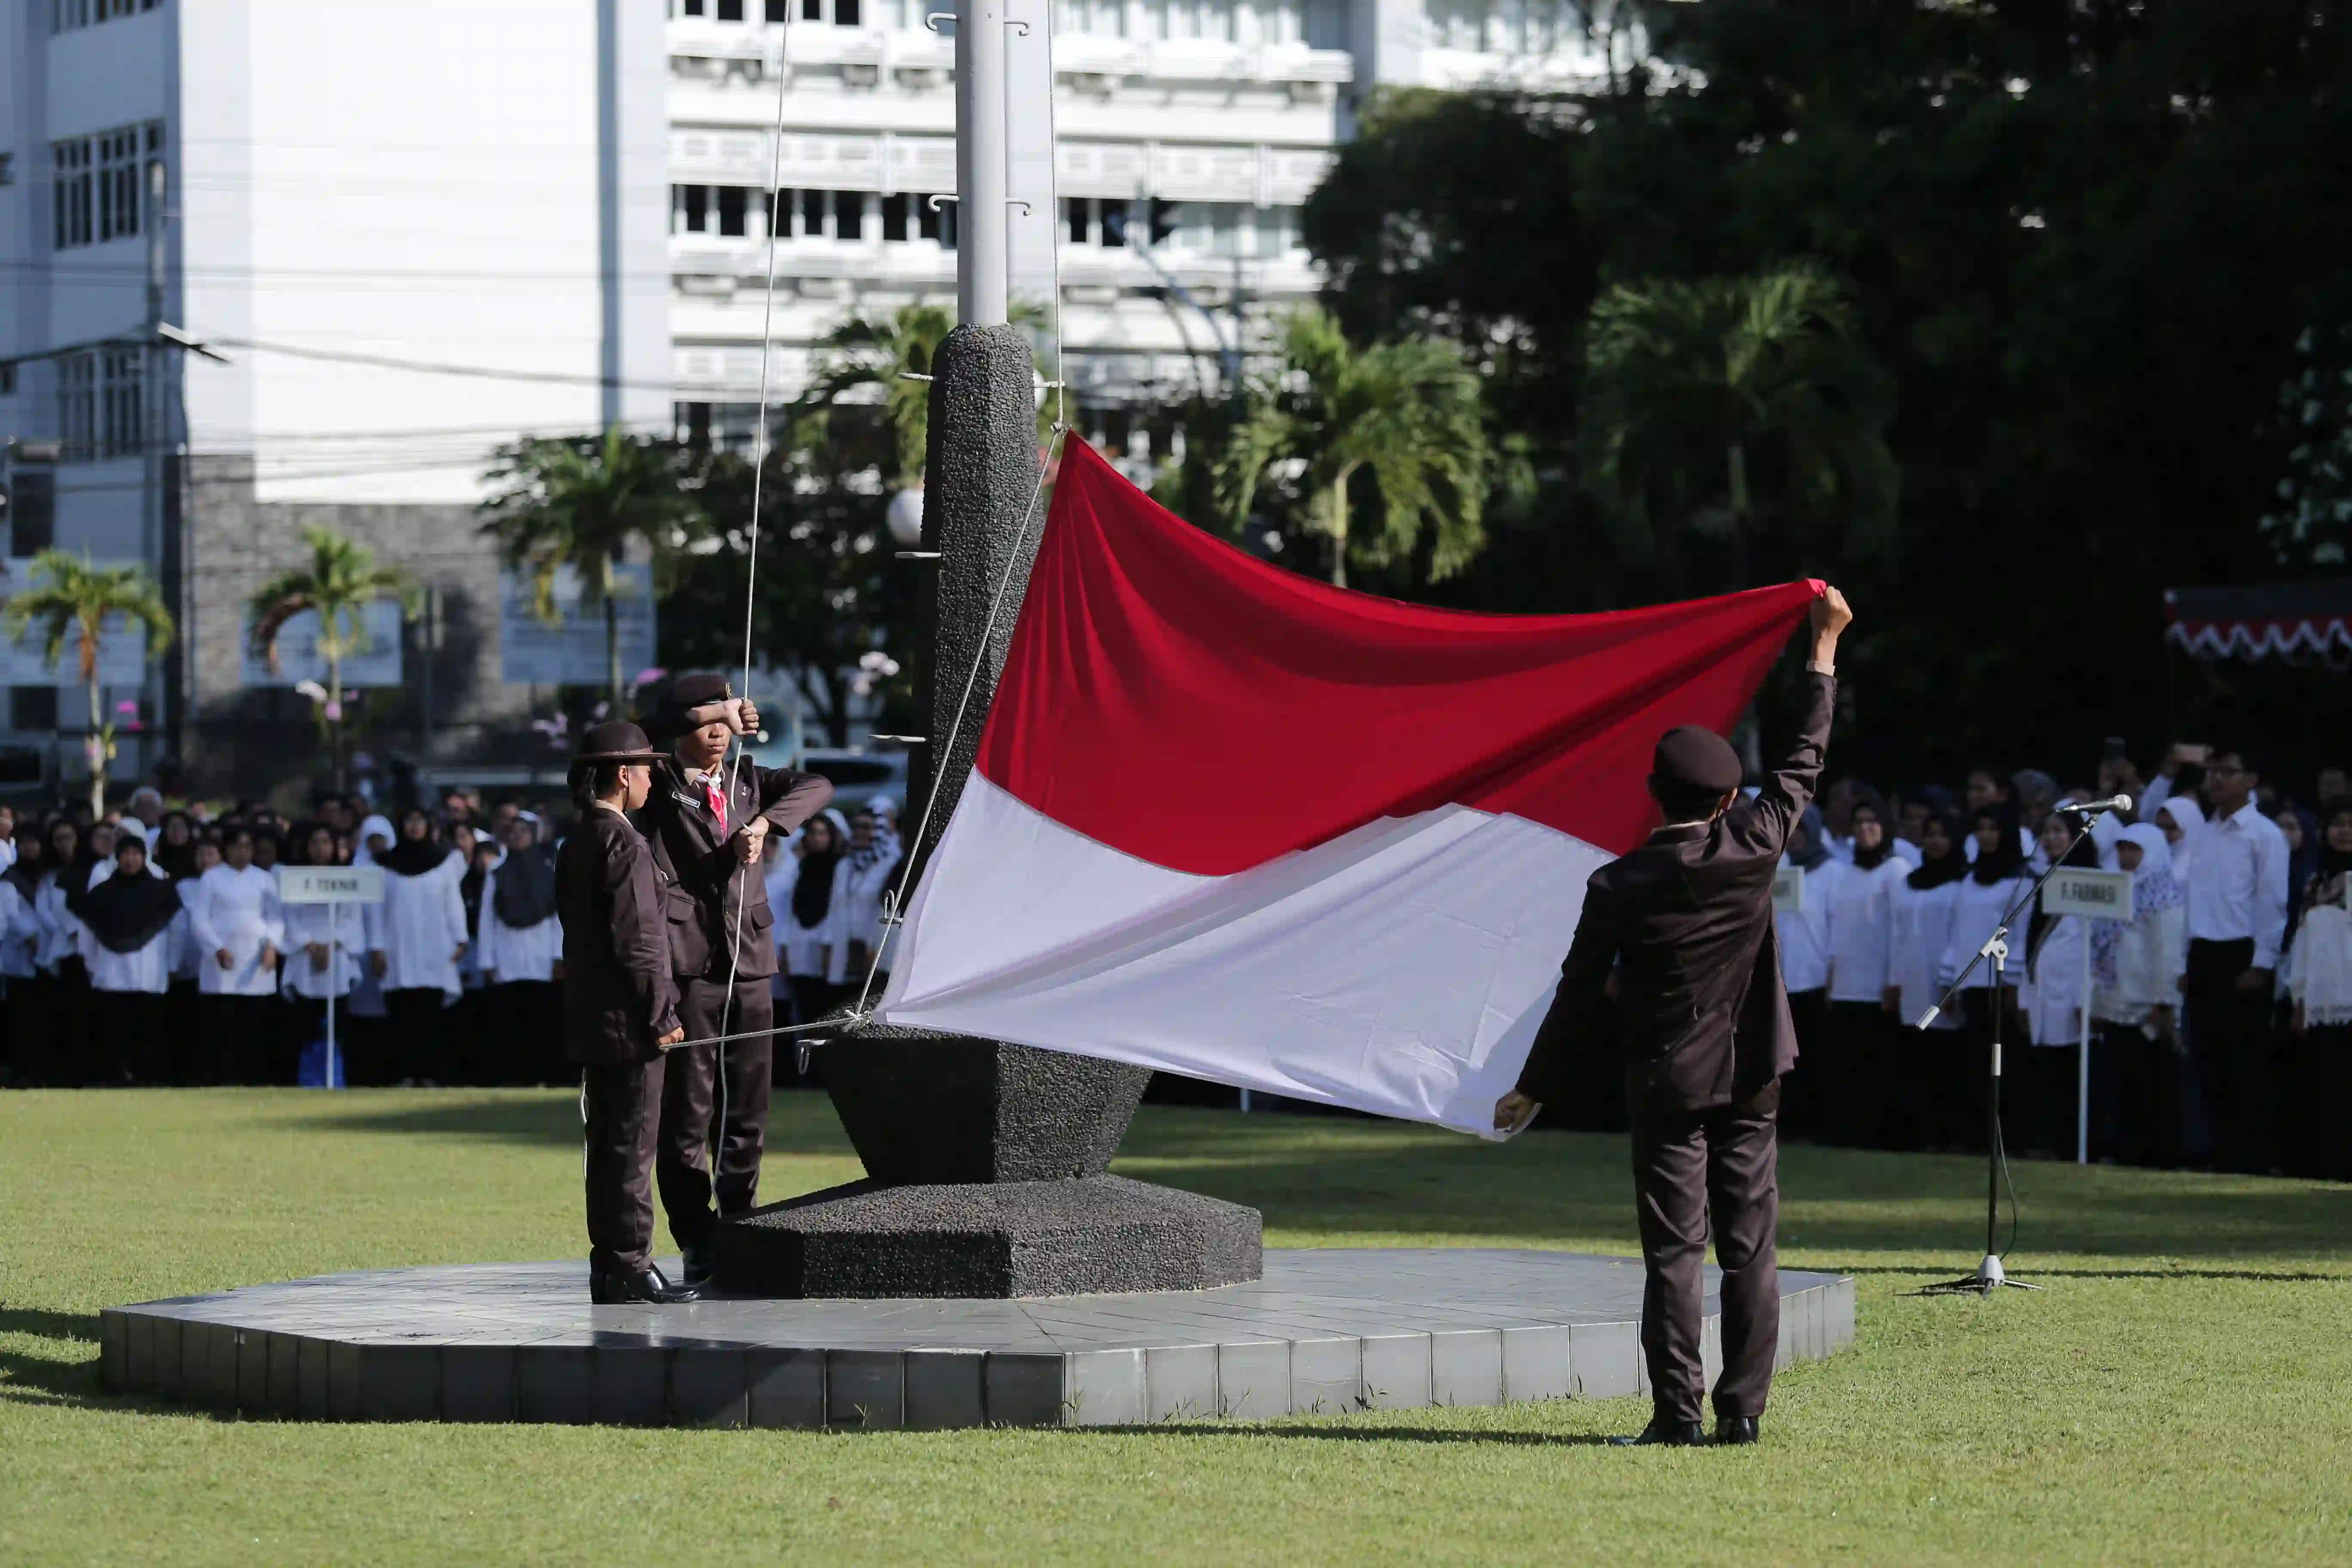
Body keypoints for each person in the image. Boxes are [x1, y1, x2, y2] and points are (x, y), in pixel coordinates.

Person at [1497, 585, 1850, 1449]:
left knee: (1674, 1255)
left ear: (1654, 795)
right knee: (1750, 1249)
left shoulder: (1617, 885)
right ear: (1729, 802)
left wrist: (1533, 1087)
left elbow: (1578, 991)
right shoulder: (1756, 846)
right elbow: (1805, 759)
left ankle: (1677, 1417)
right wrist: (1824, 651)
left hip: (1666, 1079)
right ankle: (1745, 1414)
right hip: (1755, 1071)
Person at [637, 674, 834, 1289]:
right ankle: (697, 1240)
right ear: (678, 732)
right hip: (689, 969)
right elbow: (638, 735)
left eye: (726, 723)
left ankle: (743, 1225)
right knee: (688, 1116)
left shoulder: (749, 780)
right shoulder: (657, 785)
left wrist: (766, 827)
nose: (719, 735)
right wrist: (727, 705)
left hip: (750, 963)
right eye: (705, 724)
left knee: (749, 1108)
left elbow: (819, 785)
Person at [555, 720, 696, 1305]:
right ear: (622, 775)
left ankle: (609, 1263)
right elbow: (640, 941)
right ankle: (633, 1263)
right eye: (645, 770)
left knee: (607, 1147)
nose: (649, 780)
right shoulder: (624, 842)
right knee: (635, 1145)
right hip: (631, 1023)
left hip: (592, 1018)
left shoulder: (578, 839)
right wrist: (662, 1015)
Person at [2177, 748, 2289, 1173]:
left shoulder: (2263, 834)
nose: (2217, 781)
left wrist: (2262, 962)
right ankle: (2219, 1151)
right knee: (2207, 1057)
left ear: (2251, 780)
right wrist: (2187, 959)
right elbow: (2195, 899)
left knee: (2244, 1059)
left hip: (2242, 953)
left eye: (2227, 773)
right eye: (2212, 773)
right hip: (2204, 952)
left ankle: (2253, 1155)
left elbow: (2271, 902)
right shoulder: (2205, 834)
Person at [1937, 801, 2033, 1152]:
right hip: (1972, 984)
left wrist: (2011, 984)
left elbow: (2018, 934)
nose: (1987, 836)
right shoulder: (1969, 879)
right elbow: (1958, 932)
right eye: (1982, 829)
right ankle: (1975, 1137)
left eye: (1994, 829)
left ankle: (2009, 1140)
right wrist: (1950, 980)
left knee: (2006, 1067)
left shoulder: (2021, 880)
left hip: (2001, 984)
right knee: (1973, 1065)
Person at [2090, 823, 2187, 1167]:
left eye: (2135, 850)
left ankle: (2158, 1156)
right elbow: (2100, 952)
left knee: (2153, 1085)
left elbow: (2168, 954)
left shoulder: (2164, 895)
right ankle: (2126, 1150)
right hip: (2116, 1002)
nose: (2127, 856)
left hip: (2148, 1007)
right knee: (2123, 1084)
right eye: (2123, 849)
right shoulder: (2114, 891)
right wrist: (2097, 1002)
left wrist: (2164, 1005)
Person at [1821, 795, 1907, 1148]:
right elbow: (1837, 929)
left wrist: (1895, 981)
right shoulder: (1846, 873)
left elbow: (1902, 932)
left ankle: (1879, 1138)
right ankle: (1848, 1135)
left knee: (1878, 1068)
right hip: (1845, 985)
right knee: (1847, 1068)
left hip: (1878, 987)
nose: (1866, 829)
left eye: (1873, 822)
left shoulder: (1897, 870)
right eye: (1859, 823)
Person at [73, 826, 185, 1084]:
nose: (130, 859)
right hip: (111, 973)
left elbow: (178, 930)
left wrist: (173, 965)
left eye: (136, 853)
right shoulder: (101, 893)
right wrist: (92, 965)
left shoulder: (162, 891)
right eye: (126, 853)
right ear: (117, 856)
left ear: (145, 857)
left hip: (151, 973)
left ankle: (149, 1079)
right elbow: (88, 932)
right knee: (114, 1033)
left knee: (150, 1034)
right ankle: (117, 1079)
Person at [364, 807, 469, 1086]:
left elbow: (453, 902)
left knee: (430, 1016)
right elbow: (376, 909)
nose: (414, 826)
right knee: (402, 1015)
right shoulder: (385, 865)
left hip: (436, 947)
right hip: (397, 948)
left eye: (419, 821)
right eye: (408, 820)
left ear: (428, 825)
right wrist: (376, 948)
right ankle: (405, 1075)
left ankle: (430, 1074)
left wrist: (461, 938)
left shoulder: (444, 862)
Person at [2017, 816, 2098, 1157]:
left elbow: (2096, 946)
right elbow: (2028, 942)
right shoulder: (2041, 880)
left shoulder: (2092, 881)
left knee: (2073, 1077)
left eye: (2059, 832)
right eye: (2046, 831)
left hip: (2074, 994)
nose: (2051, 838)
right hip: (2042, 992)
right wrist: (2023, 996)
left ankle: (2075, 1148)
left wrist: (2089, 998)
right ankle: (2049, 1144)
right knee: (2045, 1072)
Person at [2281, 804, 2352, 1180]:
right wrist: (2300, 999)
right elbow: (2304, 943)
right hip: (2321, 1000)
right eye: (2339, 824)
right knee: (2325, 1089)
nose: (2345, 831)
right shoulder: (2316, 881)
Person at [186, 825, 288, 1084]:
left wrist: (272, 946)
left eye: (248, 847)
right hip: (223, 962)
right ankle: (223, 1079)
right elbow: (199, 919)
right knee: (224, 1027)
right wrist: (217, 948)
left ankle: (254, 1078)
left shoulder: (264, 879)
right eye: (237, 847)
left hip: (257, 961)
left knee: (254, 1026)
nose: (243, 852)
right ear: (226, 850)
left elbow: (275, 917)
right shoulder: (212, 878)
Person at [480, 813, 564, 1086]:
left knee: (541, 1024)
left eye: (523, 832)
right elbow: (487, 920)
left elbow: (557, 920)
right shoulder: (497, 873)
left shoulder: (548, 871)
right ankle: (513, 1079)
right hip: (507, 958)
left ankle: (542, 1076)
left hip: (541, 960)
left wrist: (558, 957)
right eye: (513, 832)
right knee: (509, 1025)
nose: (518, 837)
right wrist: (488, 961)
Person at [278, 822, 361, 1086]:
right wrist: (311, 946)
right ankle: (303, 1080)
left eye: (326, 842)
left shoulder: (346, 878)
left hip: (336, 956)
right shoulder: (294, 879)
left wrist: (331, 944)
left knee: (338, 1025)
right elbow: (289, 917)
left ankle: (337, 1079)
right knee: (303, 1026)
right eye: (315, 842)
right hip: (305, 957)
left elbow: (351, 919)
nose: (321, 847)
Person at [1774, 808, 1834, 1141]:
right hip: (1785, 980)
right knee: (1787, 1063)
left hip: (1817, 981)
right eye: (1791, 830)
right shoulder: (1782, 869)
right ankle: (1791, 1126)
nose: (1795, 836)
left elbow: (1836, 929)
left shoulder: (1832, 871)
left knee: (1817, 1060)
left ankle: (1818, 1127)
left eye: (1801, 830)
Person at [782, 810, 851, 1025]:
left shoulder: (841, 868)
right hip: (800, 949)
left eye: (822, 833)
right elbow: (793, 908)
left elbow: (836, 909)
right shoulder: (801, 865)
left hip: (825, 953)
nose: (816, 838)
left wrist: (828, 945)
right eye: (812, 832)